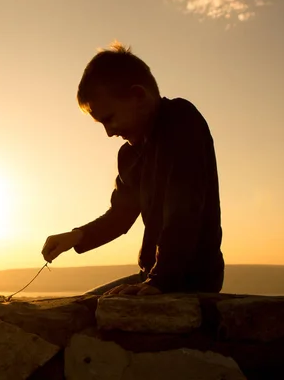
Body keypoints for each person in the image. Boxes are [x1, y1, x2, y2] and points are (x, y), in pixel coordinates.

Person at [41, 41, 225, 296]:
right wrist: (75, 237)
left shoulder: (181, 119)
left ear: (138, 96)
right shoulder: (129, 155)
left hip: (189, 281)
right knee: (82, 305)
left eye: (110, 118)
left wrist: (161, 281)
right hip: (153, 276)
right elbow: (121, 215)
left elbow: (184, 208)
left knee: (88, 312)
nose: (109, 132)